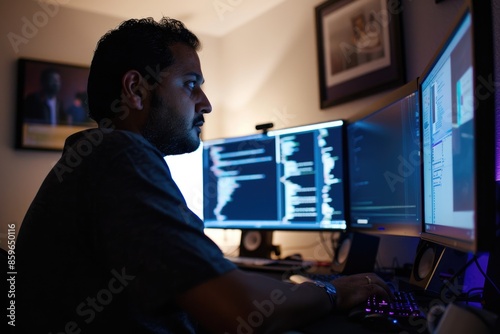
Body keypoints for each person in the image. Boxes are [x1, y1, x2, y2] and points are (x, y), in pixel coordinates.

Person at [15, 17, 391, 333]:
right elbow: (236, 309)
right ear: (135, 89)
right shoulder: (118, 156)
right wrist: (332, 293)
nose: (206, 103)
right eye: (190, 84)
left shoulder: (96, 157)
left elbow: (220, 284)